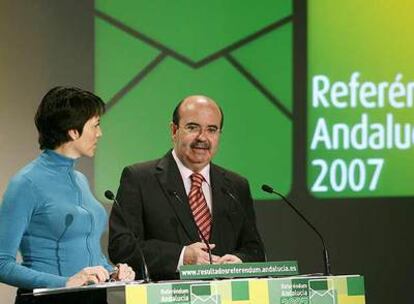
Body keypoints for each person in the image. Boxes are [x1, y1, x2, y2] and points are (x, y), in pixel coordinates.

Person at [0, 87, 135, 304]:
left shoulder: (80, 179)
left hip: (93, 298)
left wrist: (113, 272)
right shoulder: (25, 184)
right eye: (96, 125)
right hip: (48, 299)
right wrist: (64, 283)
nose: (100, 133)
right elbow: (1, 263)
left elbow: (87, 251)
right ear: (73, 131)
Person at [108, 95, 265, 281]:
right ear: (174, 130)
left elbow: (254, 250)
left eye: (212, 130)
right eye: (192, 127)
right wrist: (183, 256)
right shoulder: (139, 179)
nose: (202, 138)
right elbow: (122, 247)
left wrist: (240, 262)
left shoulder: (236, 186)